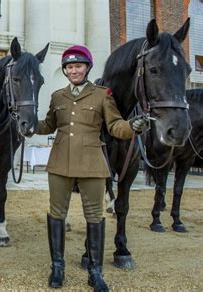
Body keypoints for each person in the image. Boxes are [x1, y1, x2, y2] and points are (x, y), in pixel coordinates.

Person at [37, 45, 146, 291]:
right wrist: (30, 124)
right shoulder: (57, 96)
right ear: (64, 70)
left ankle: (95, 272)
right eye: (69, 66)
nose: (73, 70)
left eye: (78, 66)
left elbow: (115, 125)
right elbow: (48, 125)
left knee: (95, 216)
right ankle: (58, 267)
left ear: (87, 68)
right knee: (56, 214)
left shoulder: (102, 95)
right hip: (60, 164)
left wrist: (133, 126)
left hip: (92, 164)